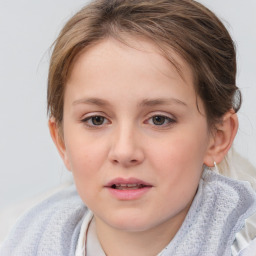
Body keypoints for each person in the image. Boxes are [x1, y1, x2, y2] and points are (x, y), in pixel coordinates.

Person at [1, 0, 256, 255]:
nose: (124, 152)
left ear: (217, 138)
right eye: (96, 120)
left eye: (159, 119)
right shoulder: (18, 243)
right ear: (62, 141)